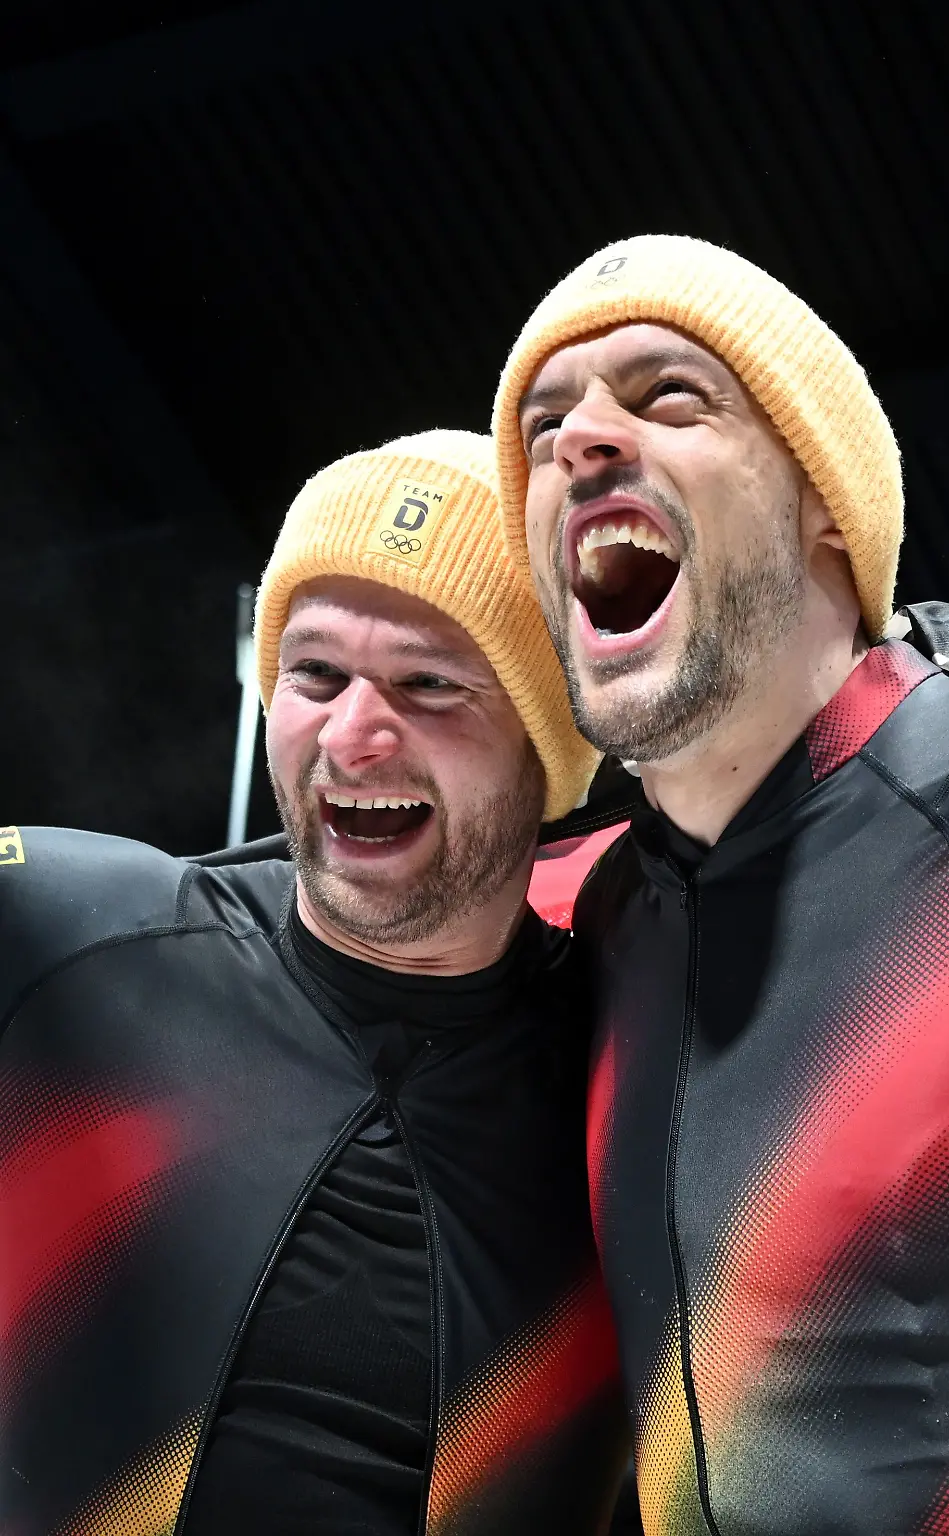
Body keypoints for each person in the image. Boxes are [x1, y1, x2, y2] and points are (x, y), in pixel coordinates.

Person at [490, 236, 949, 1536]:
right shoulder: (561, 928)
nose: (580, 438)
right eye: (541, 428)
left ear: (825, 501)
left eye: (667, 397)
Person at [0, 431, 629, 1536]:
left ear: (549, 744)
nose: (354, 733)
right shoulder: (68, 927)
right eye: (316, 673)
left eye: (430, 683)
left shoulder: (643, 1066)